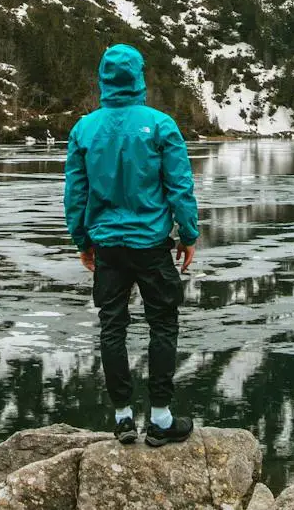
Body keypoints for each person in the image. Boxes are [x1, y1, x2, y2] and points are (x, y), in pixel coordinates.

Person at [63, 43, 201, 447]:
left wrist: (82, 241)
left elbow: (75, 193)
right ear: (140, 77)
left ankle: (123, 418)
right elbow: (179, 187)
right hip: (152, 245)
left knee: (112, 328)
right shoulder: (161, 125)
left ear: (103, 79)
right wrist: (188, 234)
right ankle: (160, 418)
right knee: (163, 324)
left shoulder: (83, 129)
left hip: (107, 246)